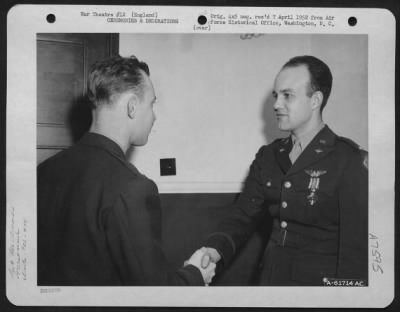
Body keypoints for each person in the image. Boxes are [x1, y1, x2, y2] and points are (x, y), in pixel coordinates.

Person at [37, 55, 215, 286]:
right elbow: (153, 292)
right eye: (151, 104)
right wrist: (195, 276)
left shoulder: (45, 171)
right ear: (132, 107)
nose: (154, 116)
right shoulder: (133, 188)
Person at [200, 55, 368, 286]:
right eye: (276, 96)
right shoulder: (268, 155)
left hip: (319, 288)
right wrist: (214, 249)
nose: (277, 104)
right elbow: (243, 215)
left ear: (315, 100)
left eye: (287, 95)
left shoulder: (348, 159)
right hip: (270, 279)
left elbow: (356, 249)